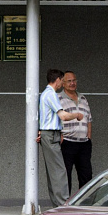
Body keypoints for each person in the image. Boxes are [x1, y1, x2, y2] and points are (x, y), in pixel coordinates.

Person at [38, 68, 83, 207]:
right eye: (62, 81)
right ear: (57, 80)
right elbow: (62, 115)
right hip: (51, 134)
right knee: (59, 171)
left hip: (49, 134)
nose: (61, 84)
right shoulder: (51, 94)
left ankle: (57, 204)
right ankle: (63, 203)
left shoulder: (45, 94)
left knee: (54, 171)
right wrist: (76, 115)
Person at [58, 70, 93, 193]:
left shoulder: (83, 98)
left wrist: (89, 136)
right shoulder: (59, 98)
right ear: (63, 83)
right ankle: (66, 202)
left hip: (84, 143)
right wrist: (60, 135)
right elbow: (54, 119)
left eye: (74, 80)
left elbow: (89, 119)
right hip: (67, 142)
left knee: (86, 174)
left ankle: (84, 202)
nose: (73, 83)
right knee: (65, 175)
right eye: (69, 81)